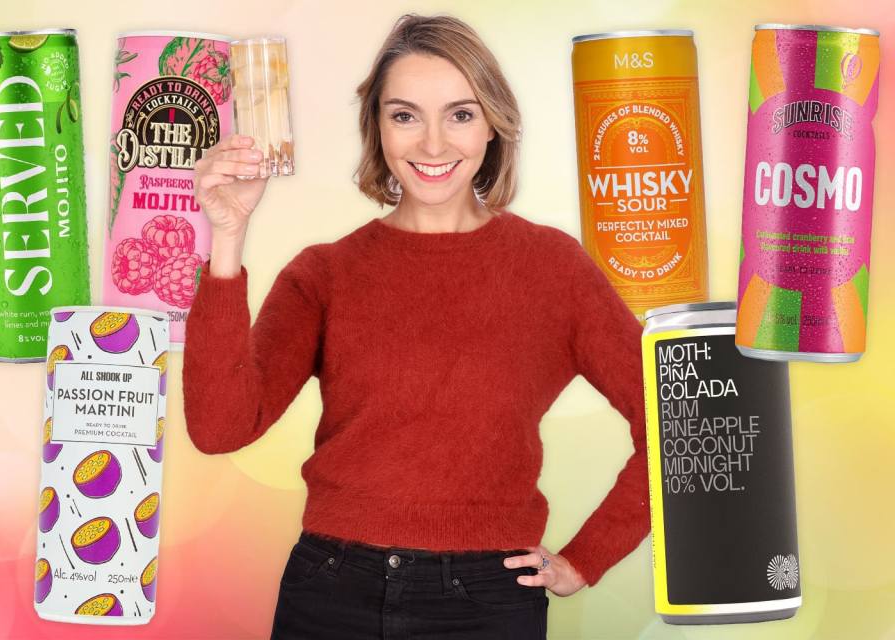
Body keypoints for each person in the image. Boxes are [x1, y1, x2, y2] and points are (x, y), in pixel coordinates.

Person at [184, 14, 648, 640]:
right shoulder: (325, 274)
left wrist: (586, 560)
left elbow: (675, 424)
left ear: (493, 125)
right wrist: (228, 236)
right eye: (405, 115)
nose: (433, 145)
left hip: (488, 600)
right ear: (377, 128)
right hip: (330, 589)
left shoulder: (553, 269)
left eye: (459, 114)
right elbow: (219, 428)